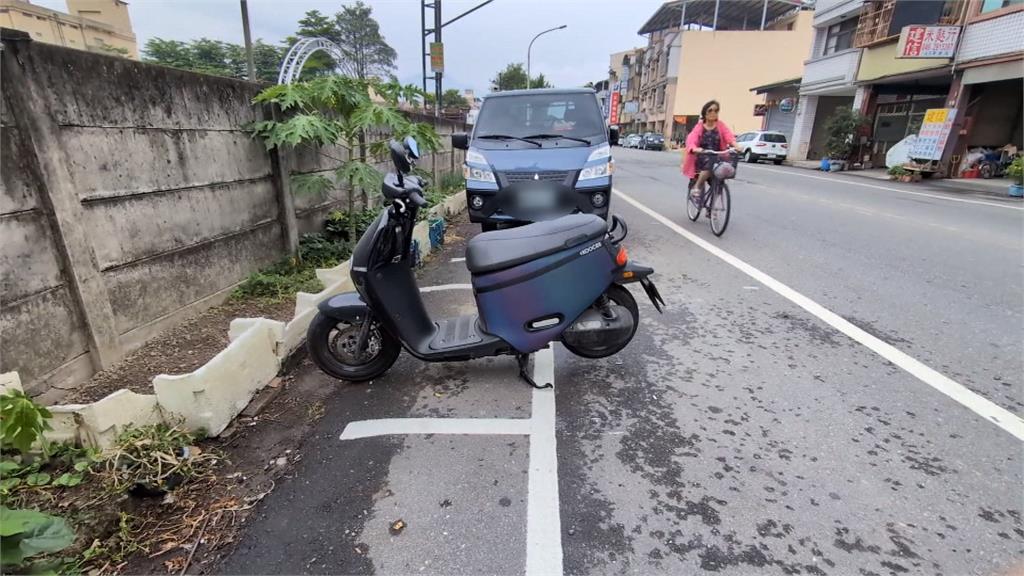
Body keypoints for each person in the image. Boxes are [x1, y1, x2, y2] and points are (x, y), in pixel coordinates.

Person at [681, 100, 742, 199]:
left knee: (721, 174)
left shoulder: (720, 125)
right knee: (710, 164)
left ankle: (713, 208)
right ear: (705, 113)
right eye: (710, 110)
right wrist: (695, 149)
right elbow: (692, 139)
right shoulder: (699, 127)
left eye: (716, 110)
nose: (713, 113)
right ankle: (697, 186)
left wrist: (736, 146)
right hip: (703, 156)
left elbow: (729, 136)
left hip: (718, 155)